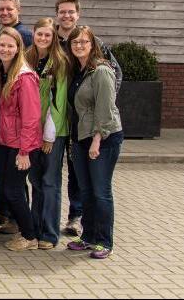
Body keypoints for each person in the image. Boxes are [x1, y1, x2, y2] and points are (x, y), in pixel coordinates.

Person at [54, 0, 122, 237]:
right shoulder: (53, 41)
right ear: (57, 14)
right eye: (62, 11)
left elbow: (114, 77)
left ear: (77, 14)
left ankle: (86, 225)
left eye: (71, 11)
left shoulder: (99, 60)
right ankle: (89, 235)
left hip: (96, 131)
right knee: (82, 180)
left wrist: (103, 109)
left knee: (97, 188)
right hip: (70, 125)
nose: (66, 15)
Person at [65, 25, 123, 260]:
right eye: (74, 42)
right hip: (80, 136)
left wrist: (97, 140)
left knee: (101, 192)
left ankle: (104, 241)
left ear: (93, 45)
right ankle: (88, 236)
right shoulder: (77, 71)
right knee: (86, 191)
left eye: (84, 42)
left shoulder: (101, 71)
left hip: (103, 137)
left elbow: (106, 110)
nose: (79, 46)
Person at [0, 27, 42, 251]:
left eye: (10, 45)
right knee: (11, 189)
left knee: (13, 190)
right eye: (1, 45)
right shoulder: (4, 72)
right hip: (5, 142)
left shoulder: (25, 77)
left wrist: (24, 151)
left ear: (18, 48)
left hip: (20, 145)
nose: (5, 49)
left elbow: (31, 117)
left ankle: (29, 236)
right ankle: (25, 231)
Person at [23, 18, 70, 250]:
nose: (43, 38)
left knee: (50, 182)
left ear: (53, 37)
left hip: (53, 132)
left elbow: (58, 101)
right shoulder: (27, 58)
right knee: (35, 181)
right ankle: (35, 228)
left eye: (47, 35)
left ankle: (50, 234)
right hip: (31, 131)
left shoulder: (60, 62)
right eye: (39, 34)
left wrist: (48, 136)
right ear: (33, 34)